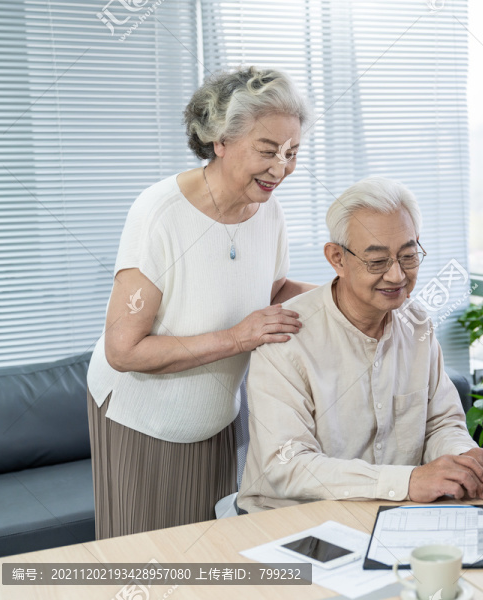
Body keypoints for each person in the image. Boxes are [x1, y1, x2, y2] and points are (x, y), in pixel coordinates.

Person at [86, 66, 317, 539]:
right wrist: (237, 338)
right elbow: (124, 350)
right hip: (141, 421)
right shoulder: (159, 215)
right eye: (268, 150)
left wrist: (347, 295)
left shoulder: (268, 209)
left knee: (207, 559)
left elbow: (268, 290)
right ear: (220, 140)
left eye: (292, 152)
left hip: (215, 420)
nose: (281, 168)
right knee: (145, 569)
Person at [237, 177, 483, 512]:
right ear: (337, 258)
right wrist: (408, 481)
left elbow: (440, 423)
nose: (397, 276)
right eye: (377, 262)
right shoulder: (286, 336)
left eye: (409, 256)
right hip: (293, 518)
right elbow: (287, 465)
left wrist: (464, 460)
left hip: (394, 512)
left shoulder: (415, 323)